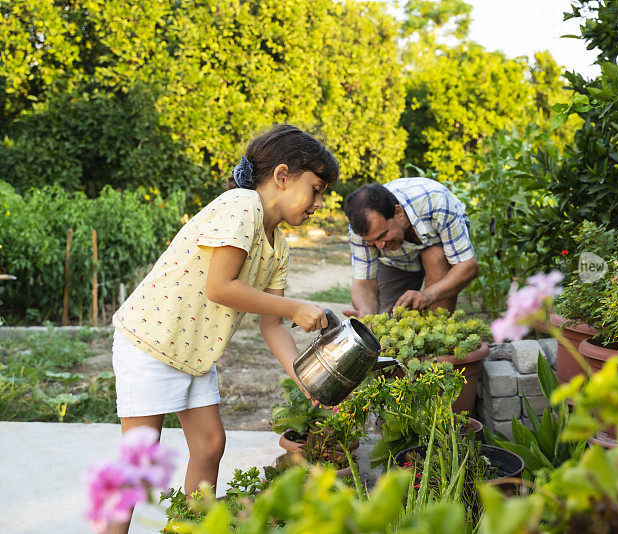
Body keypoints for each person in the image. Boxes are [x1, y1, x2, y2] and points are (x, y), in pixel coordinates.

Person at [109, 124, 338, 533]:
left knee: (211, 445)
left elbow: (273, 326)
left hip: (195, 353)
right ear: (282, 176)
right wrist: (295, 306)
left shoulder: (279, 246)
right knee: (139, 463)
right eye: (316, 189)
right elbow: (220, 287)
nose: (319, 202)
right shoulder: (241, 205)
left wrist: (304, 378)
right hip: (151, 340)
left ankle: (192, 527)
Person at [343, 177, 478, 317]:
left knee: (435, 255)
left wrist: (428, 295)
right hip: (397, 261)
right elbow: (363, 283)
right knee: (388, 321)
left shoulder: (437, 202)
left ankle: (436, 326)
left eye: (382, 235)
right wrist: (366, 312)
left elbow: (468, 266)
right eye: (372, 242)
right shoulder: (360, 230)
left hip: (440, 247)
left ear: (398, 213)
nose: (380, 246)